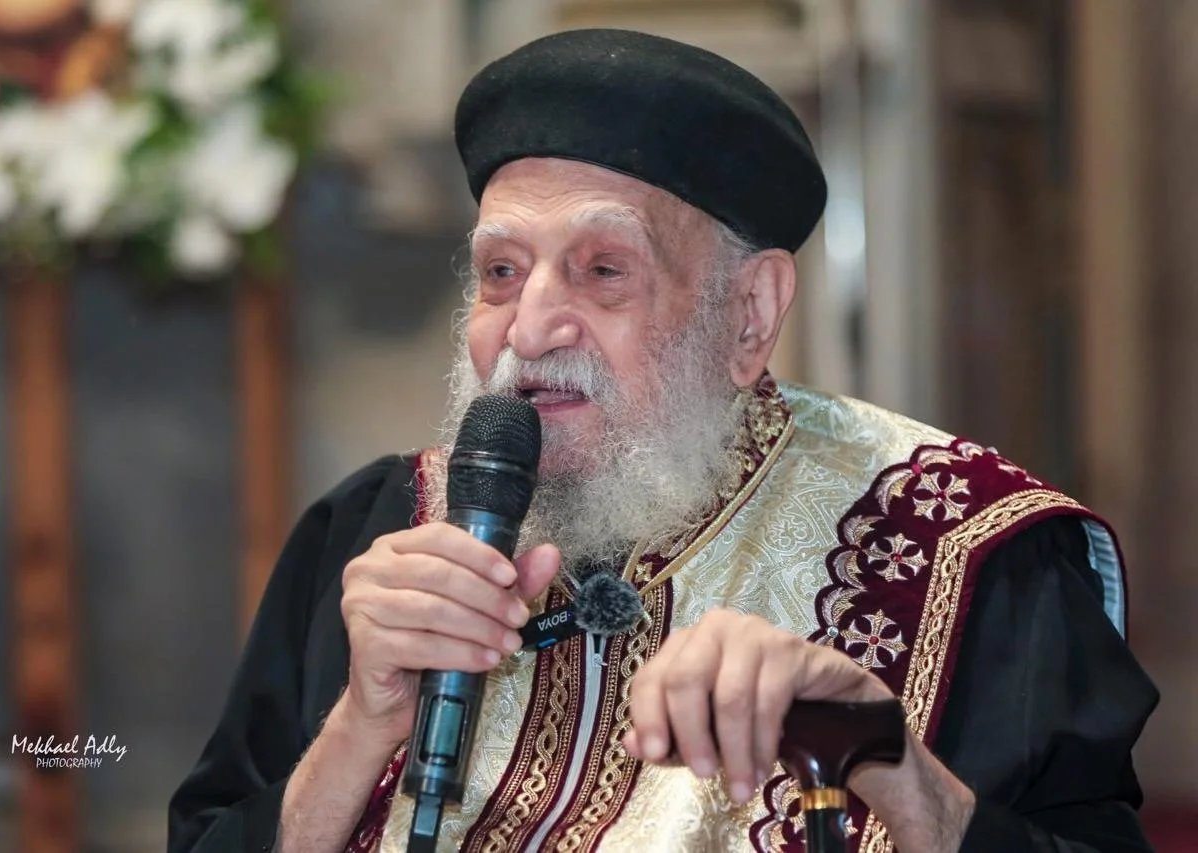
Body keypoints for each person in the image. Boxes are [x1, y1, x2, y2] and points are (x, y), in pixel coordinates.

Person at [168, 29, 1157, 853]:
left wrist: (887, 765)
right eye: (502, 272)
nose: (530, 327)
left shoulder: (967, 552)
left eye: (603, 271)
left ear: (747, 313)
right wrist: (360, 726)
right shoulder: (372, 531)